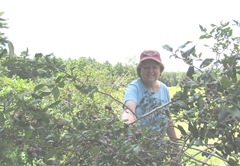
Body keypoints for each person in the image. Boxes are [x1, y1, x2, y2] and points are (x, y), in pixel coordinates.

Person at [121, 50, 180, 164]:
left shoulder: (164, 89)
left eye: (154, 67)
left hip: (158, 149)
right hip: (138, 149)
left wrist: (175, 146)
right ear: (140, 70)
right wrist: (128, 123)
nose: (150, 71)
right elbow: (128, 109)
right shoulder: (134, 87)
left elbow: (168, 120)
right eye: (146, 67)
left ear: (160, 70)